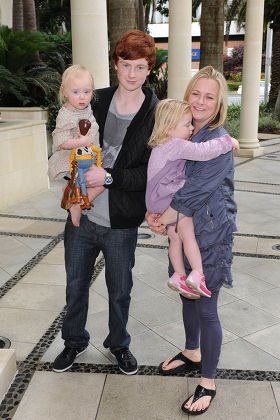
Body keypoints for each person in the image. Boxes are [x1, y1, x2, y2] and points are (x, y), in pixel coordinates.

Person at [52, 30, 158, 375]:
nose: (131, 74)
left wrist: (109, 177)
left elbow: (150, 171)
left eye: (139, 67)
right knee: (75, 286)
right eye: (125, 65)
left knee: (120, 291)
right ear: (116, 65)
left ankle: (119, 344)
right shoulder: (92, 98)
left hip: (121, 223)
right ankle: (73, 342)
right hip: (82, 215)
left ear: (149, 69)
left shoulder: (155, 112)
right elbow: (65, 135)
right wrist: (73, 180)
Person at [146, 66, 237, 415]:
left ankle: (209, 380)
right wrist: (152, 212)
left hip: (210, 234)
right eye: (195, 93)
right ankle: (192, 351)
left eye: (209, 96)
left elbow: (193, 192)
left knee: (206, 306)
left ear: (219, 104)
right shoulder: (180, 131)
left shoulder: (218, 142)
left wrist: (160, 216)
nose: (200, 101)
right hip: (184, 235)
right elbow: (161, 175)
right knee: (187, 292)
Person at [146, 98, 238, 300]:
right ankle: (198, 274)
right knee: (188, 234)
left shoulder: (160, 145)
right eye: (187, 125)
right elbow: (202, 152)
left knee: (175, 237)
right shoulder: (175, 144)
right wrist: (227, 142)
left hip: (156, 200)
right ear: (170, 128)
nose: (191, 129)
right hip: (167, 197)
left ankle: (178, 275)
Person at [48, 64, 103, 223]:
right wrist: (80, 141)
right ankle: (74, 203)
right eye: (76, 92)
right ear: (64, 91)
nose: (82, 97)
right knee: (96, 180)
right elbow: (60, 141)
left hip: (87, 154)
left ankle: (76, 198)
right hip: (72, 157)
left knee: (103, 179)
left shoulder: (85, 108)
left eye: (87, 92)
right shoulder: (66, 114)